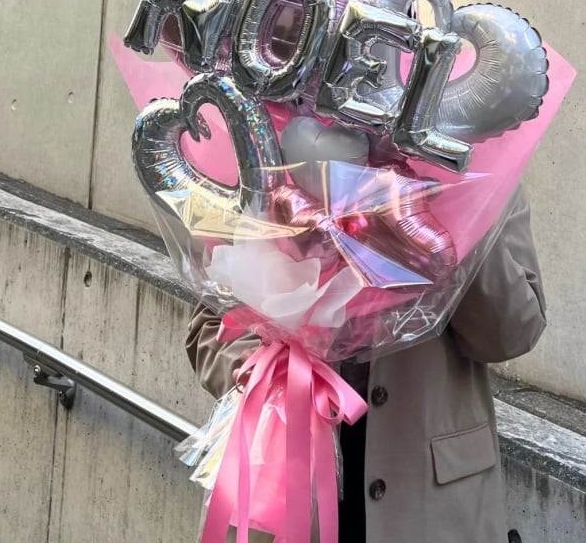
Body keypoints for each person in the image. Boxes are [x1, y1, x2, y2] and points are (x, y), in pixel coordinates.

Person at [186, 185, 546, 543]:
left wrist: (463, 211)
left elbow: (512, 334)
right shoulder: (270, 172)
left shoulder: (484, 175)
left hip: (430, 498)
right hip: (289, 484)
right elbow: (210, 323)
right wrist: (253, 368)